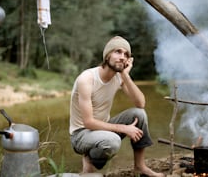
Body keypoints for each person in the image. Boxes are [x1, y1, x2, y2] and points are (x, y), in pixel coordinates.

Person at [69, 36, 164, 177]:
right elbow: (88, 122)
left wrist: (125, 75)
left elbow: (141, 103)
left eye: (126, 54)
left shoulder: (119, 77)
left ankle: (140, 166)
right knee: (112, 142)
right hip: (81, 134)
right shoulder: (87, 78)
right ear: (107, 56)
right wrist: (124, 128)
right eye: (118, 52)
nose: (122, 57)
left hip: (101, 128)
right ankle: (89, 157)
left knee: (139, 114)